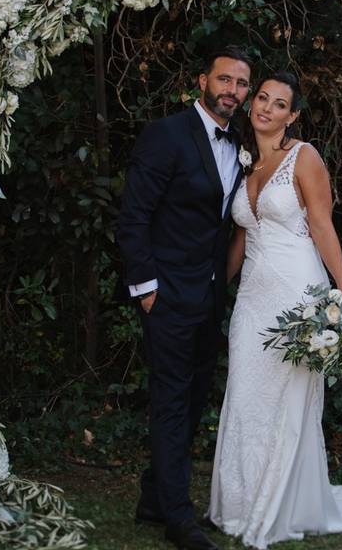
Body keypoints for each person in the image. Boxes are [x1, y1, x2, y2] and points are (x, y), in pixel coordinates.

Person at [207, 71, 342, 548]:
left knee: (287, 400)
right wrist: (211, 289)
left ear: (293, 116)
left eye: (279, 103)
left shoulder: (303, 158)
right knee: (246, 395)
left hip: (297, 293)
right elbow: (241, 237)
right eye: (261, 98)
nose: (266, 108)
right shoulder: (242, 162)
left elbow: (323, 226)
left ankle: (277, 507)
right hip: (251, 299)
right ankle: (240, 502)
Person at [117, 46, 253, 550]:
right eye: (225, 80)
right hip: (168, 297)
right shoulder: (167, 135)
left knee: (193, 402)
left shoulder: (239, 142)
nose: (232, 91)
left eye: (241, 84)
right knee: (172, 404)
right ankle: (179, 518)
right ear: (202, 81)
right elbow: (134, 217)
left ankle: (155, 497)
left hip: (210, 298)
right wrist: (147, 290)